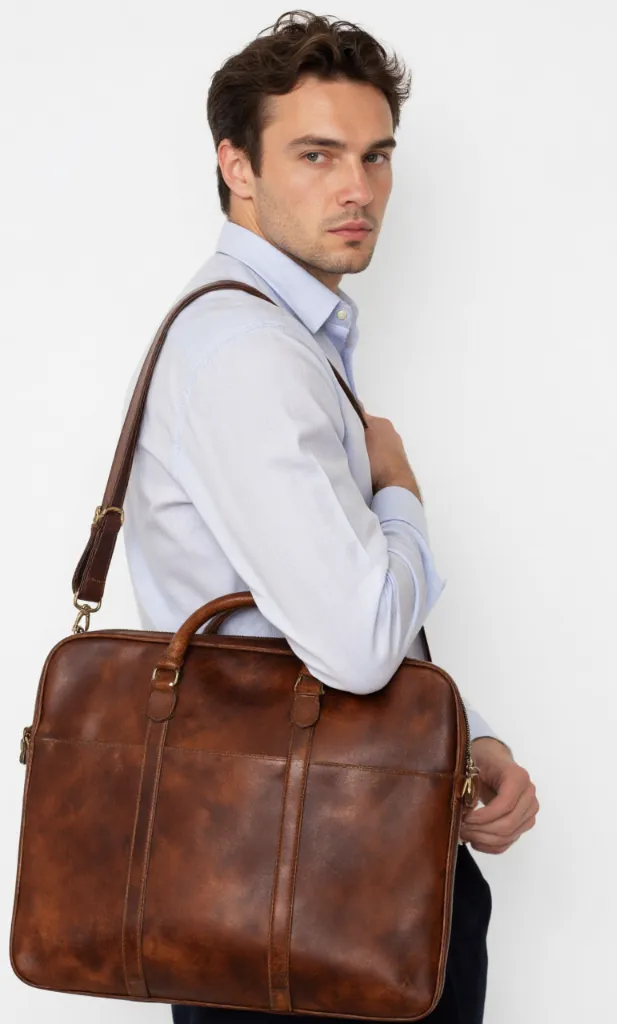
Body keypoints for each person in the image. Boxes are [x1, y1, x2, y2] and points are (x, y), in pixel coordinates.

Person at [122, 11, 539, 1024]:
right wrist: (399, 489)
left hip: (295, 868)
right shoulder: (248, 353)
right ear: (237, 166)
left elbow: (296, 619)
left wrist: (461, 737)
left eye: (375, 156)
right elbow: (352, 644)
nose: (358, 189)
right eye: (317, 155)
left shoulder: (273, 334)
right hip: (311, 889)